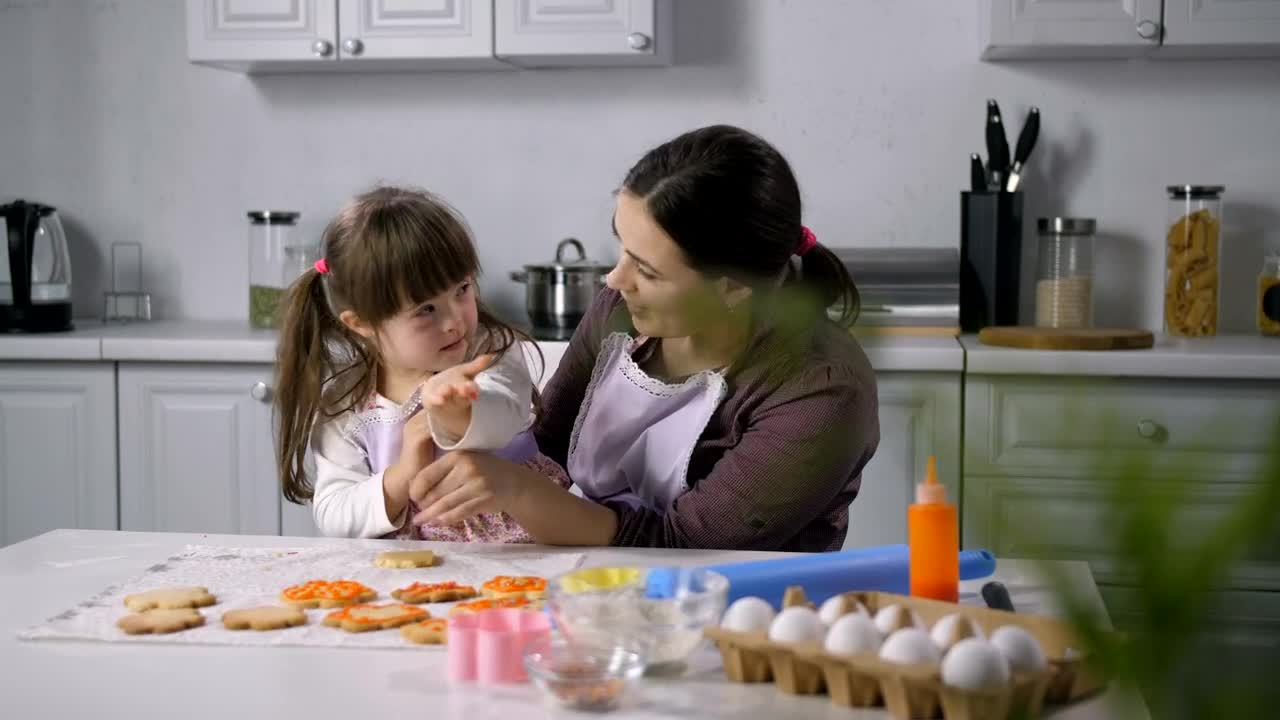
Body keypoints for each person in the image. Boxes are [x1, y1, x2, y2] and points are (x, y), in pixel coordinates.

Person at [407, 125, 880, 552]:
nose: (615, 279)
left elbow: (685, 542)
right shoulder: (621, 311)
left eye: (648, 271)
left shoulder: (821, 389)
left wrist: (516, 489)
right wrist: (469, 426)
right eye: (622, 246)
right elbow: (549, 446)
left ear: (733, 289)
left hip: (736, 602)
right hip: (599, 583)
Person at [273, 186, 568, 542]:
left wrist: (457, 412)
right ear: (361, 323)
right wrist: (404, 472)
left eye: (462, 289)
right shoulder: (346, 403)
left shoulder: (490, 352)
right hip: (415, 568)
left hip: (522, 552)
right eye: (426, 310)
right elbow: (335, 513)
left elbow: (505, 418)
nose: (454, 321)